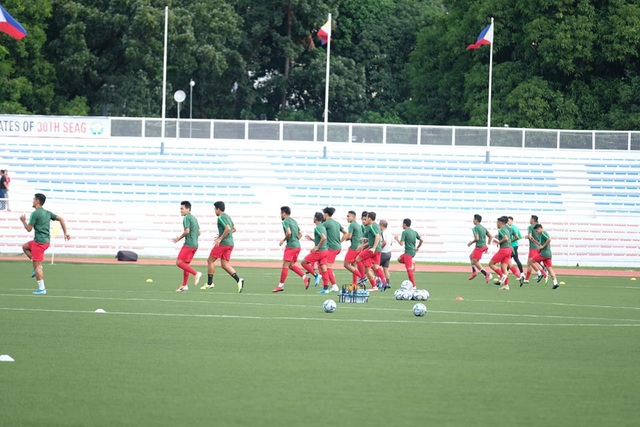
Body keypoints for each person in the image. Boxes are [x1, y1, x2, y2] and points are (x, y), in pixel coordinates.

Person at [20, 193, 71, 294]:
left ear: (38, 201)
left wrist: (23, 221)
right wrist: (66, 233)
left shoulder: (35, 213)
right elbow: (61, 219)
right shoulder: (47, 212)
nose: (33, 201)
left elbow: (29, 229)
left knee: (37, 266)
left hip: (39, 243)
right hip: (44, 241)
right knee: (25, 247)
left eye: (34, 199)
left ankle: (42, 289)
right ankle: (37, 265)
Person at [203, 201, 244, 292]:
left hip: (224, 244)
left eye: (215, 209)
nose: (214, 211)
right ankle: (238, 280)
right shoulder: (228, 216)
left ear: (218, 209)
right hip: (230, 244)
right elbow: (234, 229)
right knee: (225, 264)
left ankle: (210, 283)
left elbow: (228, 228)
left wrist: (220, 238)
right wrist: (222, 235)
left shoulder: (220, 217)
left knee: (210, 260)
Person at [272, 206, 308, 293]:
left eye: (281, 213)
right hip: (297, 246)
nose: (280, 215)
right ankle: (305, 277)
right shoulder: (294, 221)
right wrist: (295, 240)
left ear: (284, 213)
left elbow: (288, 232)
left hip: (291, 247)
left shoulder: (285, 221)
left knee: (285, 266)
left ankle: (280, 285)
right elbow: (300, 234)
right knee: (291, 265)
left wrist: (283, 240)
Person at [172, 201, 202, 292]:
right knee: (185, 264)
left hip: (189, 244)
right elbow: (199, 232)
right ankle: (184, 285)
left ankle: (196, 273)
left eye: (182, 209)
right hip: (195, 245)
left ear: (188, 209)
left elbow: (187, 231)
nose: (180, 210)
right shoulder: (194, 218)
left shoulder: (186, 218)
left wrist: (178, 239)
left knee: (179, 262)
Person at [356, 211, 387, 291]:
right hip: (378, 250)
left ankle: (363, 277)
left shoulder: (371, 226)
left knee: (357, 259)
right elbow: (374, 237)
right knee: (374, 267)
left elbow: (377, 236)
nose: (365, 220)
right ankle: (382, 282)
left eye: (366, 218)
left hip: (372, 250)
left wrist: (373, 247)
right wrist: (365, 242)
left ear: (369, 218)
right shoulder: (376, 225)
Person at [301, 212, 330, 293]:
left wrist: (317, 247)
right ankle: (325, 288)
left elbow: (323, 238)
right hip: (325, 250)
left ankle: (316, 275)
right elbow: (322, 239)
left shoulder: (317, 227)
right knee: (324, 269)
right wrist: (312, 239)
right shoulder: (323, 227)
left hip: (320, 252)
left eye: (314, 217)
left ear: (316, 218)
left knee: (303, 263)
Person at [394, 218, 423, 288]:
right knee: (399, 259)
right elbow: (421, 240)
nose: (402, 225)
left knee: (409, 270)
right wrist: (417, 247)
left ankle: (413, 286)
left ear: (404, 224)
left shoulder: (405, 232)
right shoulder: (414, 232)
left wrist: (396, 239)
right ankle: (411, 263)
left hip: (408, 253)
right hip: (413, 252)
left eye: (402, 224)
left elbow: (401, 243)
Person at [322, 207, 345, 293]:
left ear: (326, 214)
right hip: (337, 247)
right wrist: (340, 241)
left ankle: (334, 285)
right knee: (324, 265)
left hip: (332, 248)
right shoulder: (337, 223)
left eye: (324, 214)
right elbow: (346, 233)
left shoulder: (326, 223)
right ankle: (329, 278)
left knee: (327, 267)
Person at [341, 210, 366, 290]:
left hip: (354, 247)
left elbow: (349, 236)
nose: (347, 218)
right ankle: (354, 284)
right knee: (354, 265)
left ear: (353, 217)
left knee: (346, 264)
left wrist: (344, 237)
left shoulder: (351, 225)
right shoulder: (358, 225)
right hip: (359, 247)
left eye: (348, 216)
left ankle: (362, 276)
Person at [532, 224, 560, 289]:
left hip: (544, 254)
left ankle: (541, 273)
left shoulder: (543, 233)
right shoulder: (542, 235)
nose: (537, 232)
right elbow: (540, 244)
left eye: (537, 231)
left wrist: (543, 246)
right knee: (550, 269)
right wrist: (534, 240)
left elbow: (549, 239)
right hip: (548, 254)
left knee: (531, 261)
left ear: (540, 229)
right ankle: (555, 283)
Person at [467, 214, 493, 283]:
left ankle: (486, 274)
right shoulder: (483, 228)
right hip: (483, 246)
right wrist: (488, 246)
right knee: (471, 256)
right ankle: (474, 271)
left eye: (473, 219)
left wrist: (471, 243)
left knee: (475, 262)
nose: (473, 220)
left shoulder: (475, 228)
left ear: (476, 220)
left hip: (479, 247)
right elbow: (490, 237)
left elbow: (477, 238)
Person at [488, 216, 512, 290]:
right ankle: (506, 285)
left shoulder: (501, 229)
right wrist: (498, 239)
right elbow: (508, 238)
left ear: (501, 223)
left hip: (504, 250)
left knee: (491, 264)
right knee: (504, 267)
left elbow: (505, 238)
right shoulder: (508, 229)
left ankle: (502, 276)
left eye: (497, 222)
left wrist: (499, 242)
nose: (496, 224)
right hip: (509, 249)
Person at [523, 214, 547, 285]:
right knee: (529, 263)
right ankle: (526, 280)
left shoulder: (530, 227)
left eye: (530, 219)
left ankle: (542, 273)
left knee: (532, 262)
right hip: (539, 246)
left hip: (533, 247)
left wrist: (528, 236)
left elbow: (530, 236)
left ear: (533, 220)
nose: (529, 220)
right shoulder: (539, 226)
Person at [507, 216, 525, 283]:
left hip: (512, 246)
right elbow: (520, 236)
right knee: (510, 260)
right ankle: (522, 274)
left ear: (512, 221)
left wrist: (511, 241)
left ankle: (521, 274)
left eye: (509, 220)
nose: (507, 222)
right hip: (515, 245)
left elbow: (517, 237)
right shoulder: (515, 227)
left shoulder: (511, 228)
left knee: (510, 260)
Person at [379, 220, 393, 288]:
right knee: (386, 269)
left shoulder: (383, 232)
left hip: (383, 253)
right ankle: (388, 283)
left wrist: (379, 248)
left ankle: (379, 282)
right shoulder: (389, 232)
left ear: (381, 225)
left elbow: (384, 242)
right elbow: (391, 243)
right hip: (389, 252)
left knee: (376, 267)